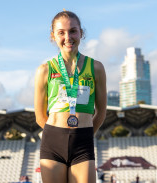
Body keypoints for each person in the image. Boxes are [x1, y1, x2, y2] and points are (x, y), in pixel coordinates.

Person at [34, 10, 107, 183]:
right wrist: (58, 134)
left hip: (83, 142)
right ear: (53, 36)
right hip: (53, 142)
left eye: (73, 31)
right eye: (61, 32)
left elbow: (101, 112)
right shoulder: (44, 70)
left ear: (81, 33)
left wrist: (84, 133)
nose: (68, 37)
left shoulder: (96, 68)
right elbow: (39, 116)